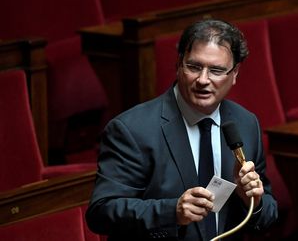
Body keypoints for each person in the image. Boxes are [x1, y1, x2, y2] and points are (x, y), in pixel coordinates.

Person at [86, 18, 278, 241]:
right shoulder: (132, 130)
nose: (203, 80)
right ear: (178, 65)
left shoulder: (246, 123)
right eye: (194, 67)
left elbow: (268, 214)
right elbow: (101, 212)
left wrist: (251, 201)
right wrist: (172, 212)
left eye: (216, 70)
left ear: (234, 74)